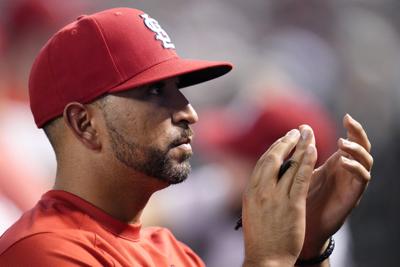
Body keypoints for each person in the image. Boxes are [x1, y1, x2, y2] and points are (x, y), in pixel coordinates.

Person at [0, 7, 373, 267]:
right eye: (154, 92)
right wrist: (269, 260)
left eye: (178, 88)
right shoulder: (42, 252)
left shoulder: (172, 251)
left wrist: (308, 251)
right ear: (84, 123)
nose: (188, 111)